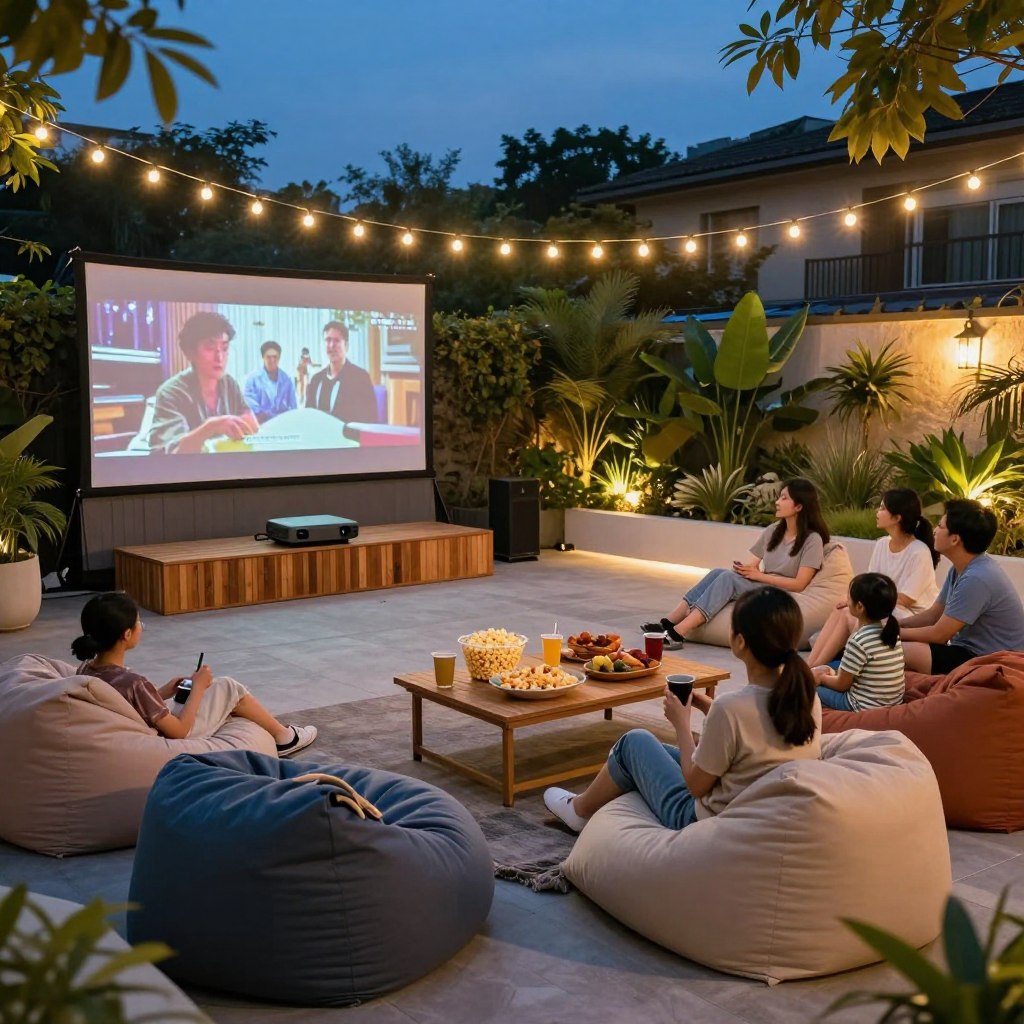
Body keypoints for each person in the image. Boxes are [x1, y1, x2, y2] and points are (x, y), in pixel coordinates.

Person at [544, 587, 822, 832]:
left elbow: (696, 787)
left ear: (739, 642)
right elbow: (754, 737)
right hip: (762, 810)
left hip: (701, 819)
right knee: (654, 751)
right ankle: (602, 789)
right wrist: (706, 706)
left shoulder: (731, 709)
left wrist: (681, 723)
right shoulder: (805, 697)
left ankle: (579, 810)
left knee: (633, 742)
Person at [71, 591, 317, 756]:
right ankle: (285, 737)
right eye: (138, 624)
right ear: (126, 635)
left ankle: (282, 734)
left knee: (217, 687)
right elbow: (179, 731)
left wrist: (164, 691)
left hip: (140, 730)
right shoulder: (134, 682)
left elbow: (126, 705)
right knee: (228, 687)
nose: (140, 629)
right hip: (167, 740)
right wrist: (198, 688)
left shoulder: (87, 671)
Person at [642, 478, 829, 648]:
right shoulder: (773, 531)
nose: (777, 502)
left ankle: (679, 633)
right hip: (763, 584)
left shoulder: (812, 540)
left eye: (784, 498)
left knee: (728, 579)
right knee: (719, 572)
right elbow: (753, 564)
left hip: (782, 593)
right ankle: (669, 622)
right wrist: (745, 570)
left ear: (799, 507)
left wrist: (759, 576)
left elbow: (800, 584)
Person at [807, 488, 939, 667]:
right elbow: (869, 583)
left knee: (848, 613)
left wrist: (862, 600)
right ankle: (811, 666)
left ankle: (814, 671)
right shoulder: (882, 544)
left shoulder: (919, 552)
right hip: (884, 605)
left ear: (897, 518)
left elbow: (907, 599)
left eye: (883, 508)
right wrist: (852, 598)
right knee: (841, 608)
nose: (877, 512)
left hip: (910, 615)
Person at [900, 499, 1024, 673]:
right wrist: (897, 624)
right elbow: (934, 615)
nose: (935, 530)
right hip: (968, 651)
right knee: (891, 647)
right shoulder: (961, 568)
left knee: (898, 651)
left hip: (992, 662)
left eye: (941, 526)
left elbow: (939, 634)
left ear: (954, 539)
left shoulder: (978, 578)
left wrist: (894, 633)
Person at [148, 311, 259, 454]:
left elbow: (252, 425)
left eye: (224, 348)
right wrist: (211, 427)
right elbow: (174, 454)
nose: (220, 357)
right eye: (210, 348)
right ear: (190, 353)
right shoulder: (171, 392)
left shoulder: (229, 384)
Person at [812, 573, 905, 711]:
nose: (846, 601)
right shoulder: (891, 634)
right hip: (894, 701)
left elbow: (842, 685)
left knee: (810, 688)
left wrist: (822, 678)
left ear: (860, 607)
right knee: (834, 665)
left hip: (861, 705)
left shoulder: (858, 641)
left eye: (849, 597)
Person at [305, 320, 379, 423]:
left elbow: (370, 420)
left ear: (346, 346)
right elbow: (308, 417)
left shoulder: (360, 378)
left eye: (337, 340)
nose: (331, 345)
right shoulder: (316, 380)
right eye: (328, 340)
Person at [244, 340, 298, 423]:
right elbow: (251, 406)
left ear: (279, 357)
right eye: (268, 357)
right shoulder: (252, 380)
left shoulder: (287, 380)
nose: (272, 360)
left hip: (283, 424)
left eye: (275, 357)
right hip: (261, 425)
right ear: (263, 357)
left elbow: (293, 407)